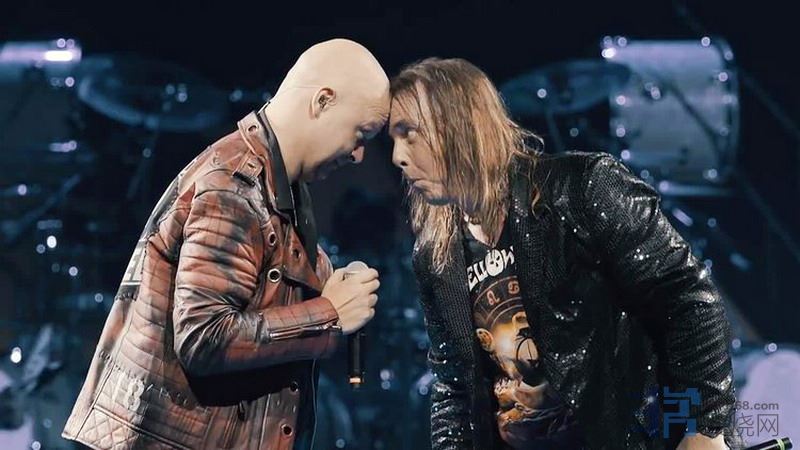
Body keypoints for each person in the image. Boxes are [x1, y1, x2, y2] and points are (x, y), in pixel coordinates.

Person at [388, 57, 737, 449]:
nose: (397, 156)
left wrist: (703, 427)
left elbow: (687, 299)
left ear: (459, 124)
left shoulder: (580, 189)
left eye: (409, 133)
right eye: (393, 139)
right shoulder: (435, 254)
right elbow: (454, 386)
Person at [62, 38, 390, 450]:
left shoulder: (278, 189)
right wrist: (328, 314)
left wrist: (328, 283)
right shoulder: (234, 187)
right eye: (360, 133)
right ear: (322, 101)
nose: (359, 155)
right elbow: (204, 336)